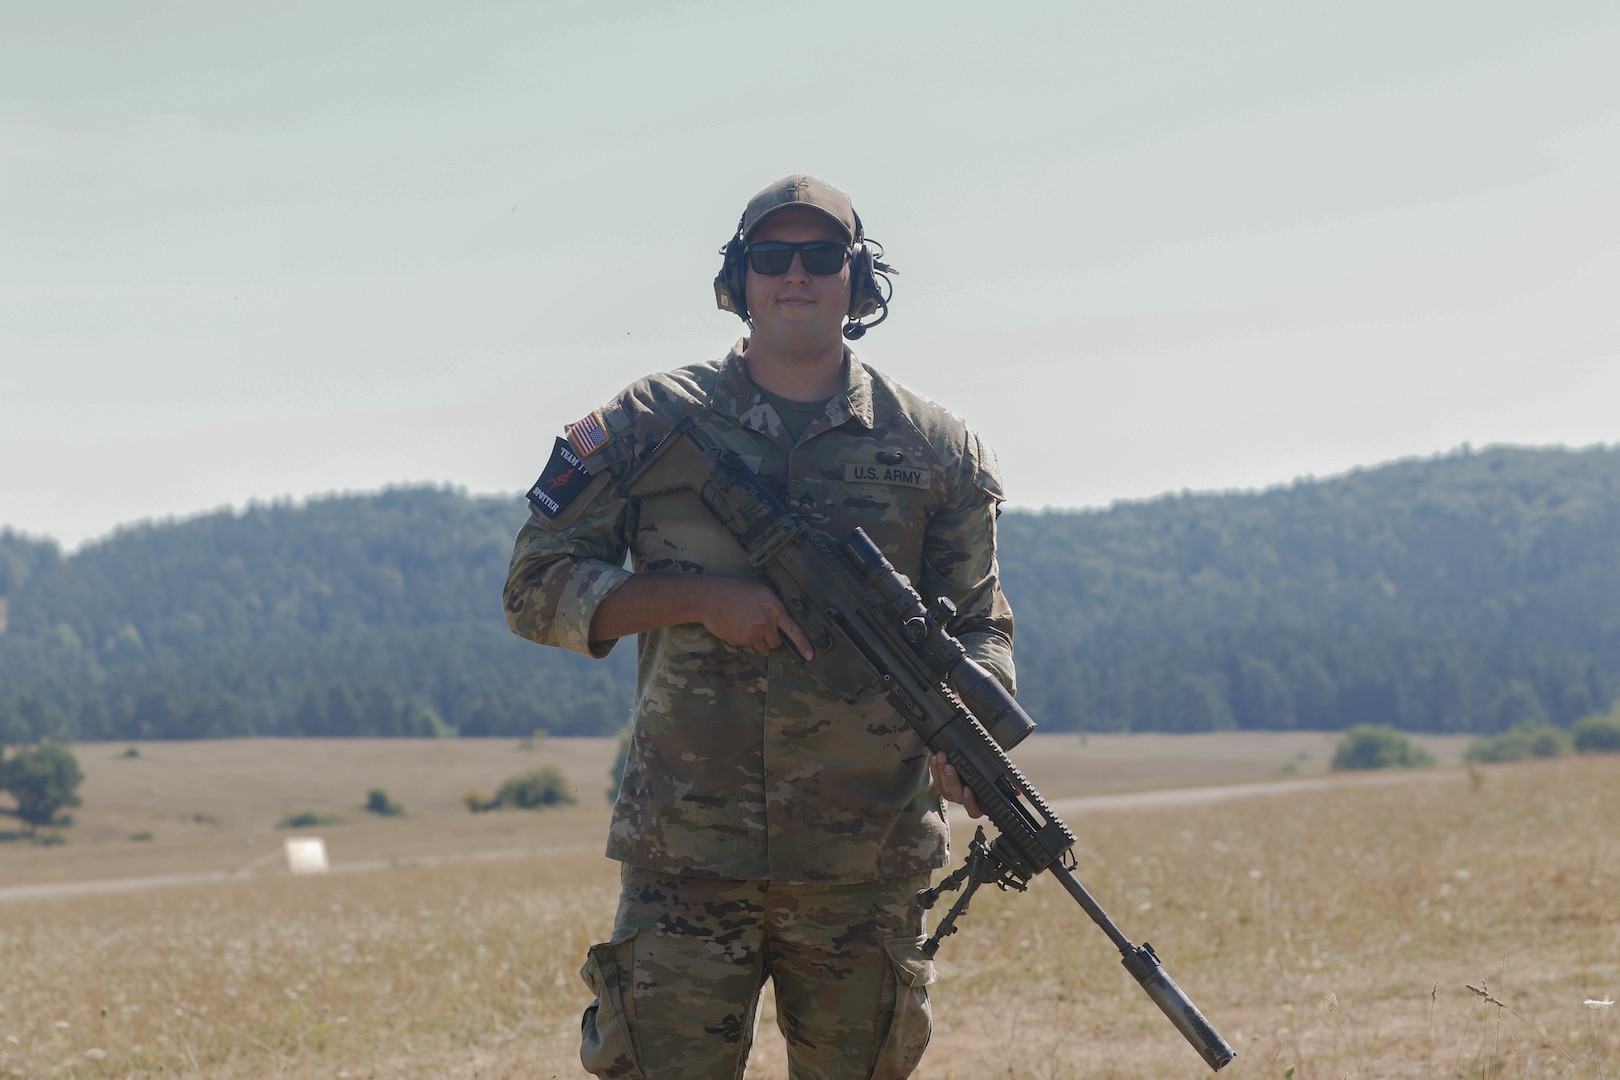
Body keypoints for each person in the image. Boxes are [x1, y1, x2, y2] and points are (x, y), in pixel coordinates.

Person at [504, 174, 1015, 1080]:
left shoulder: (935, 449)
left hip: (867, 859)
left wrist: (969, 738)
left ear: (860, 283)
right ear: (739, 280)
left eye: (822, 257)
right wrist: (696, 599)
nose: (796, 276)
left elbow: (978, 625)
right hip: (688, 856)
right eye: (772, 257)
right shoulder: (646, 424)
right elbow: (534, 586)